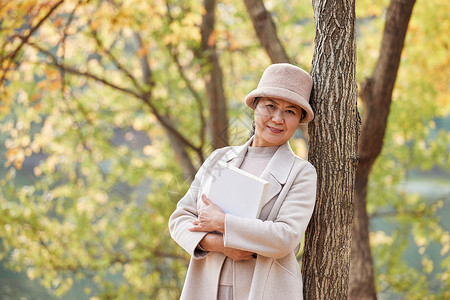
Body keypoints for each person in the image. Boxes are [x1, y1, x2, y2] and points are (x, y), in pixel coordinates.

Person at [168, 63, 317, 300]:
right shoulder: (219, 158)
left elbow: (285, 237)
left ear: (299, 119)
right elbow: (179, 219)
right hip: (206, 288)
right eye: (270, 106)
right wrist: (221, 245)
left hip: (265, 290)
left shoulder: (301, 173)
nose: (278, 119)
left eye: (290, 111)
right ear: (255, 106)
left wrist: (224, 222)